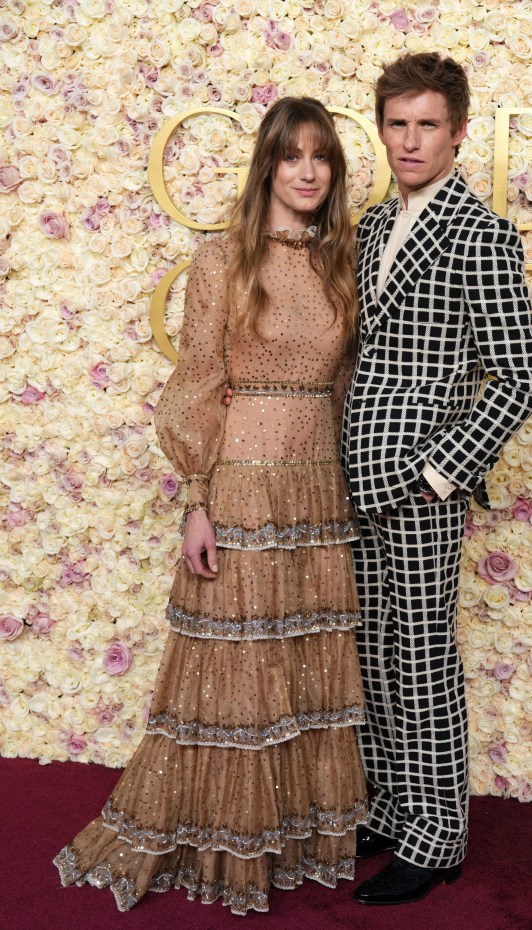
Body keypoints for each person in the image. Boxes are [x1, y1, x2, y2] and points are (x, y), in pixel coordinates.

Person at [54, 97, 368, 916]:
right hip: (240, 485)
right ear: (266, 165)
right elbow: (195, 381)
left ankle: (293, 833)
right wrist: (196, 499)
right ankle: (216, 841)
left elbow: (344, 385)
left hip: (317, 490)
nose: (307, 171)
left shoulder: (344, 261)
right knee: (236, 672)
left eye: (321, 157)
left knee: (302, 671)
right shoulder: (221, 259)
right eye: (291, 155)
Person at [341, 52, 532, 905]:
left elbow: (519, 376)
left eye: (428, 124)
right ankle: (391, 802)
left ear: (459, 133)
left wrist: (441, 474)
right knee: (375, 653)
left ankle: (439, 832)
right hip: (356, 475)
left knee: (421, 657)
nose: (411, 140)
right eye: (397, 123)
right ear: (381, 129)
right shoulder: (371, 227)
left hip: (422, 484)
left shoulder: (482, 231)